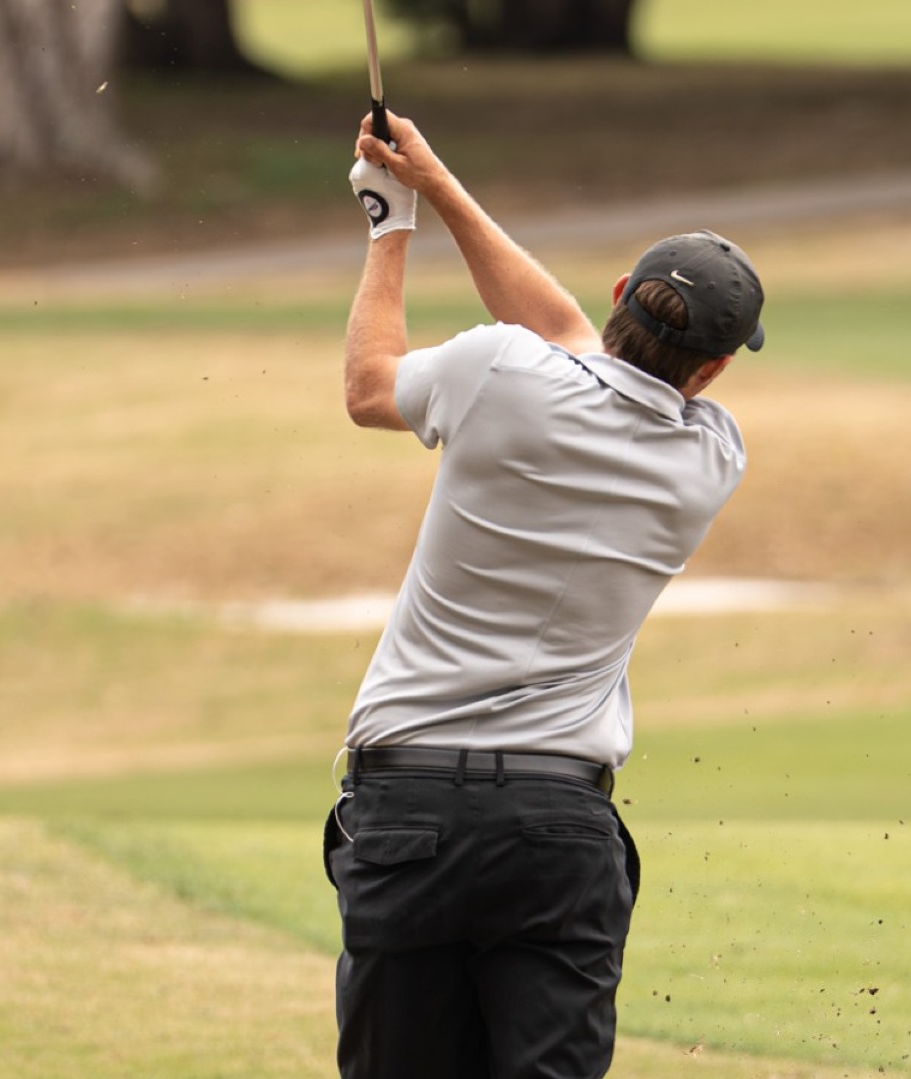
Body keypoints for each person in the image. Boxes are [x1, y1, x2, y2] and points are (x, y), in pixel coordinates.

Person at [325, 108, 765, 1079]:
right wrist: (435, 187)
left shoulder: (499, 370)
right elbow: (570, 338)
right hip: (559, 830)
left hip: (407, 809)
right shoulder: (711, 456)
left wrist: (393, 222)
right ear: (720, 365)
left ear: (619, 293)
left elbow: (369, 385)